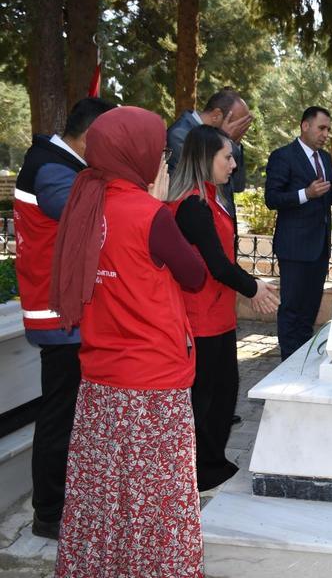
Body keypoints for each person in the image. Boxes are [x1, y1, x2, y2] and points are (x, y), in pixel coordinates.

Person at [49, 106, 208, 576]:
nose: (164, 162)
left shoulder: (86, 204)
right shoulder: (149, 214)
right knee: (156, 493)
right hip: (153, 382)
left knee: (103, 490)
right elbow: (195, 276)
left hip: (101, 377)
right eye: (160, 152)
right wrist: (156, 205)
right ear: (135, 155)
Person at [13, 97, 115, 540]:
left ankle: (60, 503)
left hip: (62, 312)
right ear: (91, 137)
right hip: (58, 315)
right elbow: (79, 215)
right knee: (60, 415)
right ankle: (50, 512)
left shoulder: (58, 162)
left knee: (69, 412)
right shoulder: (54, 168)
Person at [167, 125, 279, 492]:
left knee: (223, 393)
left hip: (217, 314)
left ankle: (211, 461)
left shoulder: (211, 198)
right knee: (206, 398)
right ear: (205, 159)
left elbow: (224, 259)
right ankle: (199, 469)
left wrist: (247, 290)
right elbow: (216, 263)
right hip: (199, 318)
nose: (233, 164)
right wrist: (254, 288)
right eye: (227, 157)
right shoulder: (193, 205)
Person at [265, 106, 332, 361]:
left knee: (309, 310)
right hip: (294, 248)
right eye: (321, 128)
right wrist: (306, 193)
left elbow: (323, 197)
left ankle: (302, 360)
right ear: (305, 126)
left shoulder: (325, 159)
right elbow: (272, 199)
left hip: (319, 248)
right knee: (292, 309)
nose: (326, 133)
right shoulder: (283, 156)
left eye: (328, 129)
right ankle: (288, 363)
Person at [167, 87, 252, 210]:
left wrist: (233, 145)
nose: (239, 130)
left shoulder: (230, 143)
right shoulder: (180, 134)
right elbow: (202, 180)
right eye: (237, 124)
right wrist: (225, 141)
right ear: (216, 115)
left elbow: (237, 186)